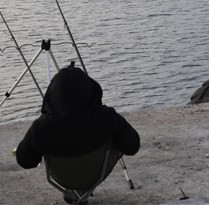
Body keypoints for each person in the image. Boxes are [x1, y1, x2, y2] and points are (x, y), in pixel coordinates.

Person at [16, 65, 140, 201]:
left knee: (41, 145)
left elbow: (25, 161)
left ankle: (74, 192)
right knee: (119, 136)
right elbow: (132, 146)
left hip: (63, 178)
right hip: (96, 173)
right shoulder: (107, 117)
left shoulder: (41, 126)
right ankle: (81, 192)